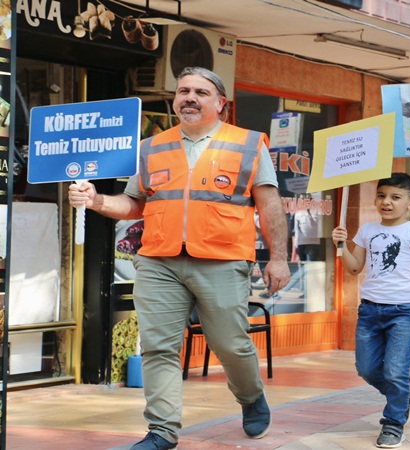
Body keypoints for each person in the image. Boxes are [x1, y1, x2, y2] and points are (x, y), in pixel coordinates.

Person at [68, 67, 290, 450]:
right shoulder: (151, 146)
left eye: (200, 92)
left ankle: (251, 398)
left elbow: (269, 205)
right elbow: (134, 203)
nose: (189, 97)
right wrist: (96, 200)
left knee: (230, 344)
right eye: (183, 91)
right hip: (159, 261)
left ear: (221, 103)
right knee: (158, 347)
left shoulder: (249, 144)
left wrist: (279, 258)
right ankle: (162, 430)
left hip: (222, 260)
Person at [331, 173, 410, 449]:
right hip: (369, 311)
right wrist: (341, 246)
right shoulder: (366, 230)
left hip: (405, 311)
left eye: (395, 197)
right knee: (366, 369)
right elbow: (355, 268)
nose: (386, 202)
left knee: (395, 370)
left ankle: (393, 422)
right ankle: (403, 395)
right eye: (381, 196)